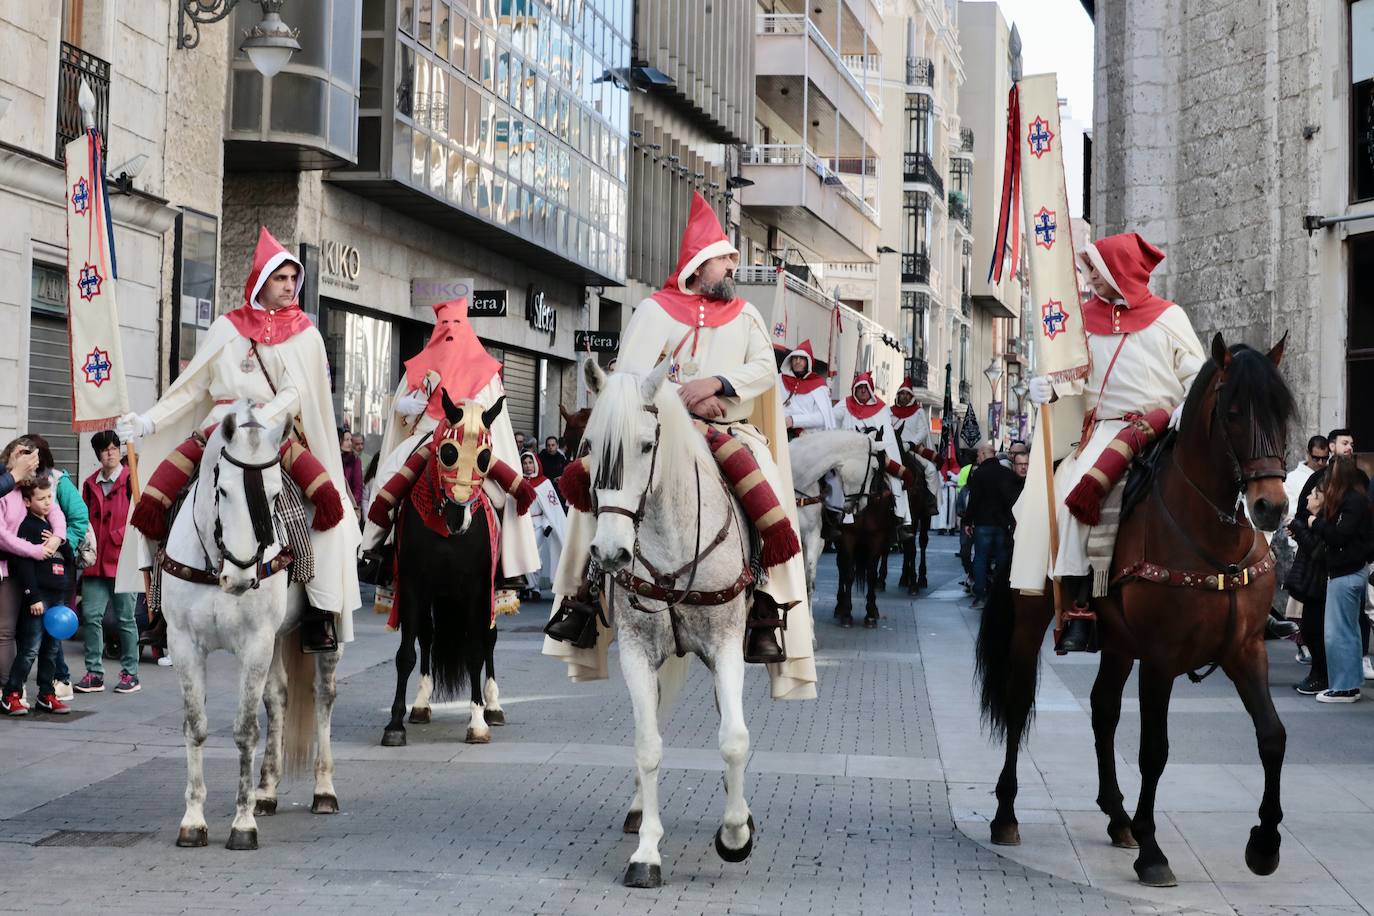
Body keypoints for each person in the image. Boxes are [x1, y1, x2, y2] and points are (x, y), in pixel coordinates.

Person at [544, 191, 816, 698]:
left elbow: (764, 367)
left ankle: (761, 600)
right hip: (659, 430)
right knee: (599, 478)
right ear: (697, 265)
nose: (732, 265)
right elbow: (626, 383)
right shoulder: (653, 311)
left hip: (728, 430)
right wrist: (681, 401)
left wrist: (716, 385)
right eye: (723, 259)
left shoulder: (745, 315)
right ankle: (583, 596)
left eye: (732, 258)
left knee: (769, 488)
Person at [115, 226, 361, 654]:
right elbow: (190, 388)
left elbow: (295, 392)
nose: (288, 287)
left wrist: (261, 421)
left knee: (327, 503)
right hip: (217, 429)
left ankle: (319, 612)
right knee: (152, 502)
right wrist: (146, 423)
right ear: (262, 281)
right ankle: (156, 607)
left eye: (292, 279)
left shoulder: (306, 333)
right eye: (280, 278)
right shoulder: (226, 328)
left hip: (273, 434)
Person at [1015, 232, 1206, 652]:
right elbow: (1070, 375)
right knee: (1071, 500)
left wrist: (1184, 407)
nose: (1091, 280)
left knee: (1225, 486)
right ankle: (1080, 606)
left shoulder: (1169, 317)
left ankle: (1252, 593)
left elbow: (1199, 375)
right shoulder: (1082, 319)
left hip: (1167, 424)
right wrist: (1048, 387)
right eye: (1089, 273)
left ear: (1121, 271)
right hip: (1105, 431)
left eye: (1097, 273)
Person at [363, 298, 538, 593]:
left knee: (502, 494)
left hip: (471, 440)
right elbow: (400, 409)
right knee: (387, 479)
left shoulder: (487, 372)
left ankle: (509, 566)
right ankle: (374, 550)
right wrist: (407, 403)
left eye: (456, 323)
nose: (450, 330)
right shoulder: (417, 367)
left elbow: (497, 420)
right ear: (436, 328)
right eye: (445, 324)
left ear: (466, 326)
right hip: (428, 437)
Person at [1288, 429, 1362, 693]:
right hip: (1323, 563)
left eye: (1352, 443)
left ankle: (1337, 681)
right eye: (1345, 443)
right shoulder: (1320, 479)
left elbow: (1337, 535)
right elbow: (1302, 512)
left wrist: (1308, 524)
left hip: (1338, 566)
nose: (1350, 447)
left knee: (1337, 631)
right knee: (1323, 627)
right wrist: (1304, 524)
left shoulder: (1354, 492)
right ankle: (1334, 679)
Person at [1, 478, 72, 715]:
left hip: (57, 597)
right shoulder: (27, 527)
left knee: (52, 649)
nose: (47, 503)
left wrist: (59, 543)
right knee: (31, 648)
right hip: (39, 598)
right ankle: (11, 693)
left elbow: (69, 558)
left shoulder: (53, 528)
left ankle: (46, 694)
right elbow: (23, 564)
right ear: (28, 501)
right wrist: (32, 597)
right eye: (41, 499)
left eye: (50, 498)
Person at [1304, 456, 1371, 702]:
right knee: (1348, 632)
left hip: (1346, 572)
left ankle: (1343, 687)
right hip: (1351, 571)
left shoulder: (1352, 502)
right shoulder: (1356, 500)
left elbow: (1339, 536)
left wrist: (1315, 522)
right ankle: (1349, 685)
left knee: (1337, 633)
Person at [0, 438, 59, 709]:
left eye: (30, 455)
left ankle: (11, 690)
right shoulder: (6, 484)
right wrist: (34, 550)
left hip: (15, 570)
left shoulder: (30, 487)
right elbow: (3, 536)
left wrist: (57, 539)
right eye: (21, 453)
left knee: (10, 631)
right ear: (9, 457)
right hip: (16, 561)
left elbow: (56, 512)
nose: (27, 459)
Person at [28, 435, 87, 698]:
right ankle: (55, 680)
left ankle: (60, 679)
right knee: (40, 624)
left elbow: (79, 517)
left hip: (58, 565)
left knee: (52, 622)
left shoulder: (60, 482)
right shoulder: (25, 483)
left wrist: (60, 545)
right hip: (32, 562)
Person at [833, 372, 912, 534]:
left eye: (865, 387)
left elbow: (888, 436)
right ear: (854, 389)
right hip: (850, 453)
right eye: (859, 387)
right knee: (831, 478)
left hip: (876, 452)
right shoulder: (844, 404)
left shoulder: (881, 409)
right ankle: (830, 519)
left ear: (870, 389)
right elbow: (830, 418)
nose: (862, 391)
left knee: (895, 479)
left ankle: (900, 519)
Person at [964, 441, 1022, 606]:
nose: (978, 458)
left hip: (983, 523)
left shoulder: (979, 474)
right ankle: (999, 595)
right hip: (1003, 524)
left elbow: (973, 501)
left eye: (978, 455)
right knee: (1002, 560)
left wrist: (968, 521)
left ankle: (981, 595)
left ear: (982, 454)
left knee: (981, 558)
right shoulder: (1007, 474)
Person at [521, 450, 567, 600]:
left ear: (535, 464)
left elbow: (551, 508)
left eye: (530, 463)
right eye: (525, 463)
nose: (528, 466)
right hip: (522, 524)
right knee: (525, 554)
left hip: (539, 524)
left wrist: (547, 524)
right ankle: (529, 586)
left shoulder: (544, 483)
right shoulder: (519, 482)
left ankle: (534, 587)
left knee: (532, 552)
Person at [780, 340, 834, 438]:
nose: (797, 361)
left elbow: (822, 417)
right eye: (795, 358)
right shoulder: (779, 379)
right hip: (778, 431)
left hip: (805, 437)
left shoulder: (819, 386)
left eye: (801, 358)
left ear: (808, 361)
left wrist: (794, 420)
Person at [339, 429, 364, 514]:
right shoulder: (336, 459)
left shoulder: (355, 460)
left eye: (351, 440)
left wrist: (351, 506)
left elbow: (358, 488)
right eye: (347, 440)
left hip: (350, 507)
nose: (350, 443)